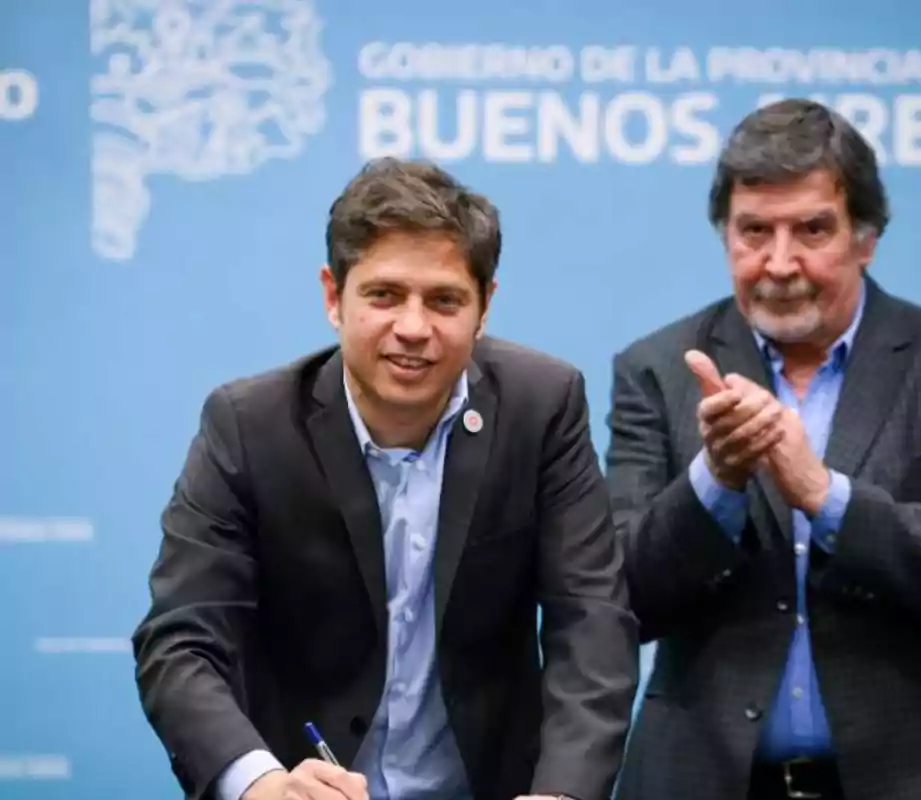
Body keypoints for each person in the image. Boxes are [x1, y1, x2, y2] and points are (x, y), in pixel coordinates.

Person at [132, 158, 639, 800]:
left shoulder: (543, 406)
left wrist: (562, 793)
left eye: (445, 300)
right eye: (385, 295)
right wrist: (260, 784)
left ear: (485, 307)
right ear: (332, 296)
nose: (413, 328)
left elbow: (591, 619)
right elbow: (181, 639)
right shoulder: (248, 425)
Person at [605, 99, 921, 800]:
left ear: (865, 238)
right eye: (754, 232)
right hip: (705, 779)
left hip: (916, 781)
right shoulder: (658, 370)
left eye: (811, 229)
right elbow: (619, 599)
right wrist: (715, 483)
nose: (779, 262)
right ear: (725, 236)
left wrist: (825, 496)